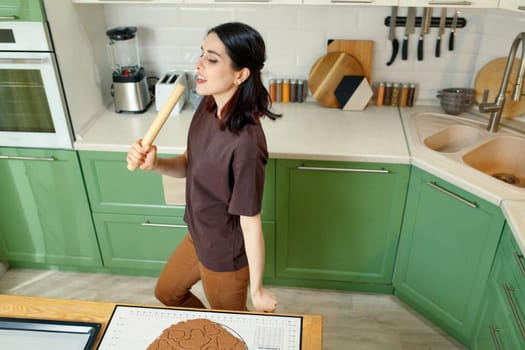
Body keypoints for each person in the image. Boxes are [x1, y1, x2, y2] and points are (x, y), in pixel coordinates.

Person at [126, 22, 280, 313]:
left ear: (241, 74)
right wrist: (155, 163)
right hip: (198, 235)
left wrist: (257, 290)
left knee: (233, 325)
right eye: (202, 54)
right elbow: (189, 163)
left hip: (224, 254)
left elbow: (250, 223)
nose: (198, 65)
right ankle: (208, 331)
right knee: (168, 293)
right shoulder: (208, 105)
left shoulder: (246, 144)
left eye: (212, 59)